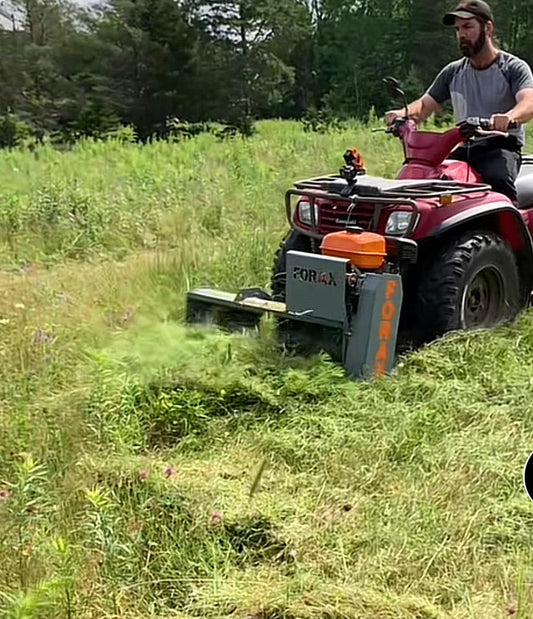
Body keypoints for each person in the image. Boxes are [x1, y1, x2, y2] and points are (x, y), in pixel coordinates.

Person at [385, 0, 533, 204]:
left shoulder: (513, 68)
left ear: (488, 28)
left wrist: (509, 117)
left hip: (501, 147)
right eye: (457, 29)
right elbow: (425, 105)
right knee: (432, 180)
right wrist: (402, 113)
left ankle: (505, 235)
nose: (461, 34)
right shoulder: (453, 72)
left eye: (468, 27)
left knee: (498, 185)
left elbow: (528, 103)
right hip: (465, 146)